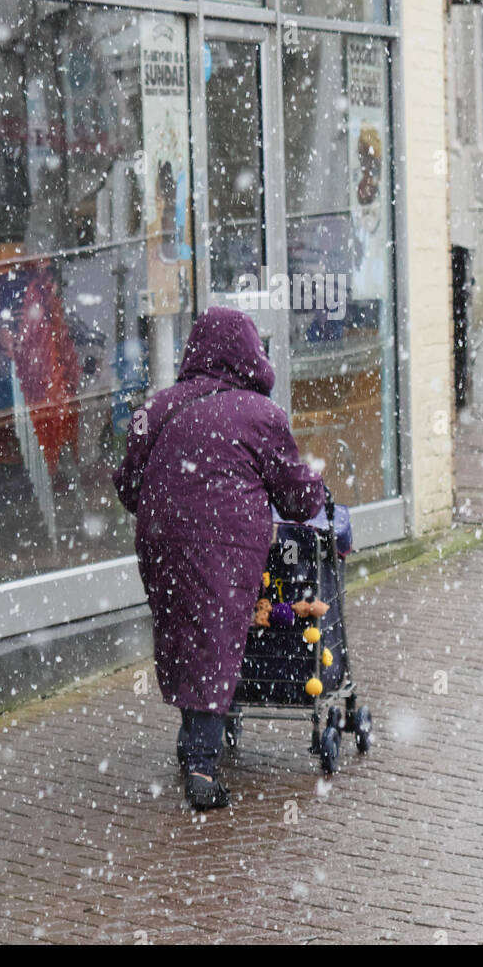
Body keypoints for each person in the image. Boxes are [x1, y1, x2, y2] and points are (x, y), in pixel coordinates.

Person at [113, 307, 324, 810]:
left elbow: (127, 483)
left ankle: (195, 741)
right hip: (223, 541)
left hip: (160, 539)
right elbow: (297, 496)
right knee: (214, 635)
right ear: (249, 352)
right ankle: (203, 767)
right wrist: (317, 490)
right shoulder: (260, 414)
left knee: (185, 632)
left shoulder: (157, 406)